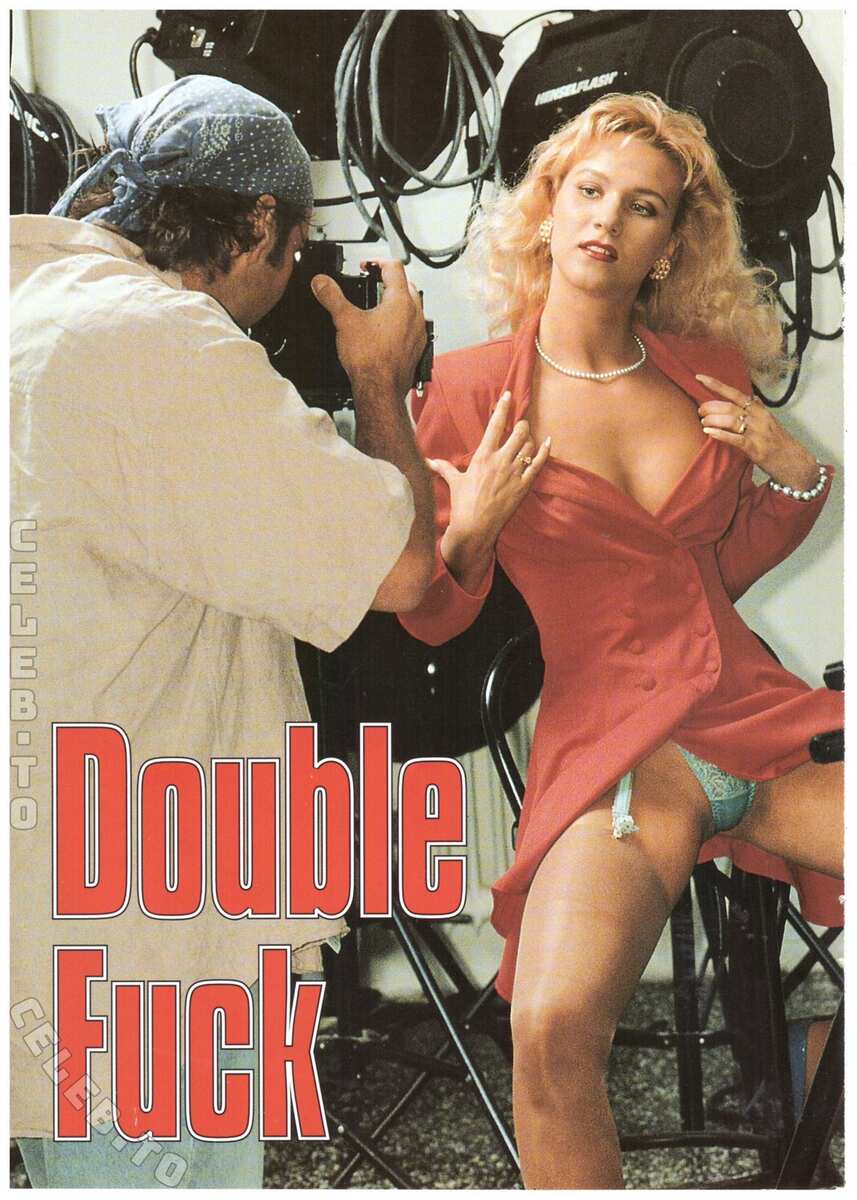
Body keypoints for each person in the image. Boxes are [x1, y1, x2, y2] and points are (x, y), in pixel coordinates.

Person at [398, 92, 843, 1188]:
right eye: (587, 191)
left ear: (668, 242)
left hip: (760, 727)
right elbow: (432, 612)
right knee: (549, 1030)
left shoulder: (706, 371)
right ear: (547, 209)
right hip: (618, 759)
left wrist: (797, 474)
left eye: (641, 206)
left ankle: (821, 1099)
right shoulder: (467, 392)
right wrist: (471, 529)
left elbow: (711, 575)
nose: (606, 218)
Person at [10, 75, 434, 1187]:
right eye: (291, 250)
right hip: (136, 906)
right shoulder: (162, 343)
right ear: (256, 223)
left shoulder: (37, 307)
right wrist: (378, 379)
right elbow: (401, 568)